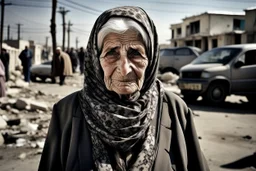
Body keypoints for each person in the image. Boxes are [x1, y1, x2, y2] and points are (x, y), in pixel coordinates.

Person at [39, 6, 209, 171]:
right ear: (96, 60)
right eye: (112, 53)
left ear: (150, 59)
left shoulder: (175, 110)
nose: (124, 68)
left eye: (135, 53)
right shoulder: (66, 112)